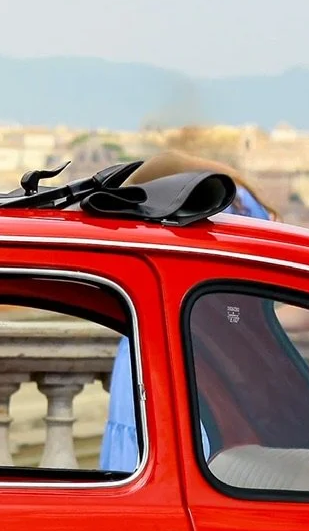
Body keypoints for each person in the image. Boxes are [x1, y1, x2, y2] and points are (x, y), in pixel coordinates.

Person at [97, 152, 274, 472]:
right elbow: (239, 298)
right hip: (186, 347)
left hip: (149, 344)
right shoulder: (235, 201)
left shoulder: (193, 201)